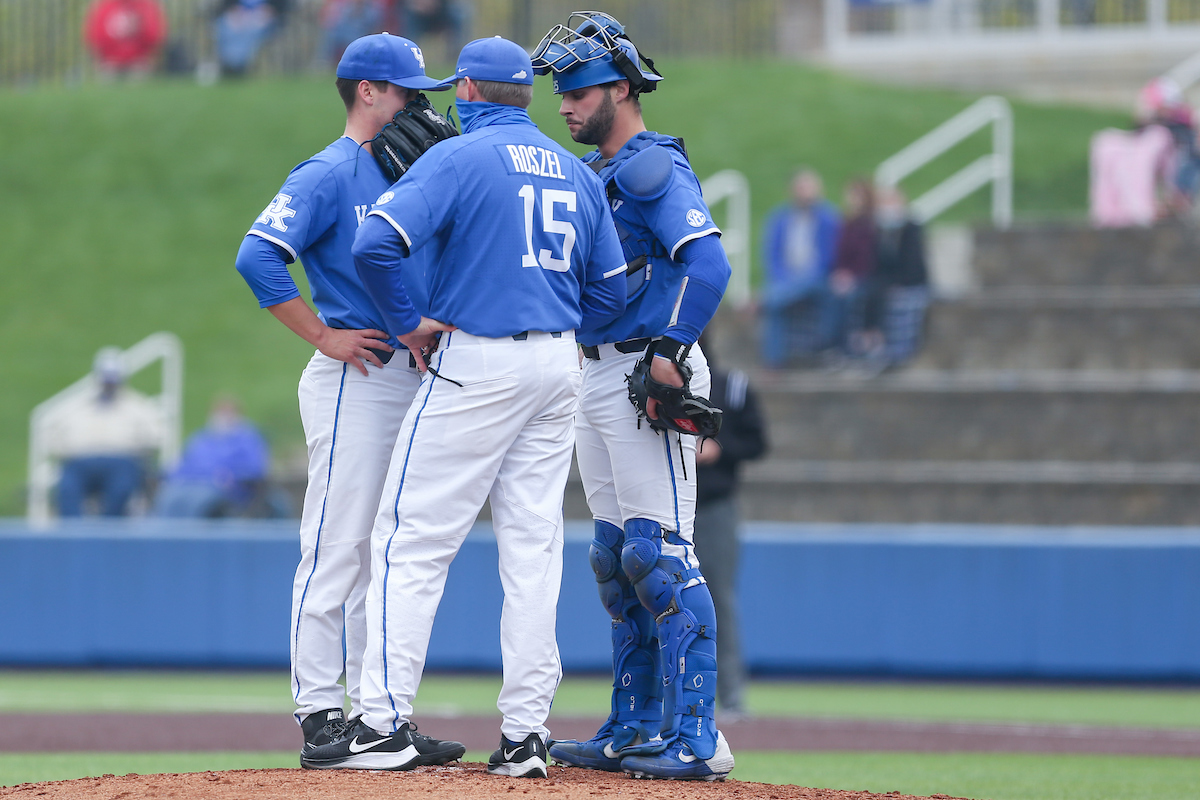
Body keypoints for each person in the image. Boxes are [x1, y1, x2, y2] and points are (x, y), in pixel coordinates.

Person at [300, 36, 626, 778]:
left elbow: (374, 243)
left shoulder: (457, 156)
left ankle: (381, 722)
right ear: (529, 96)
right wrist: (565, 326)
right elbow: (609, 291)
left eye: (456, 87)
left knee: (408, 540)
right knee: (534, 552)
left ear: (471, 90)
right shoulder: (576, 171)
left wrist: (410, 320)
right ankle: (527, 736)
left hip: (476, 360)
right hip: (557, 362)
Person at [531, 12, 736, 780]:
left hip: (647, 367)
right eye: (560, 91)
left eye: (579, 89)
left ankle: (697, 737)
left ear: (621, 86)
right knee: (617, 560)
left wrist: (672, 351)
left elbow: (707, 265)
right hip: (597, 366)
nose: (565, 104)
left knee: (660, 556)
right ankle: (634, 725)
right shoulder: (600, 174)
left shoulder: (649, 165)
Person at [233, 33, 447, 760]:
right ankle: (319, 712)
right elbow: (256, 255)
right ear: (366, 92)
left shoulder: (410, 170)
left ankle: (375, 714)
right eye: (406, 92)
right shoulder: (328, 172)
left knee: (382, 548)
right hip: (353, 374)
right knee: (336, 544)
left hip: (406, 373)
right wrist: (322, 336)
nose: (420, 104)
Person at [692, 340, 767, 717]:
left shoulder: (730, 386)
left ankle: (731, 695)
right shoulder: (652, 383)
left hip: (714, 506)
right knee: (657, 600)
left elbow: (757, 442)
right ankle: (660, 699)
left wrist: (720, 448)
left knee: (719, 599)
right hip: (667, 506)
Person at [45, 348, 164, 518]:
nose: (109, 385)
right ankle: (72, 533)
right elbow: (55, 435)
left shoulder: (138, 406)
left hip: (122, 461)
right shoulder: (76, 405)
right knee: (68, 486)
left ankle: (108, 530)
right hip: (80, 461)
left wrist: (136, 448)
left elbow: (155, 437)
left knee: (121, 485)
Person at [759, 169, 841, 367]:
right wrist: (783, 280)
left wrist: (797, 282)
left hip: (818, 279)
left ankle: (763, 300)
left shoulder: (829, 218)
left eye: (808, 188)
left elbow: (829, 258)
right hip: (786, 281)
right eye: (801, 188)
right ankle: (774, 362)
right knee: (775, 305)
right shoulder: (780, 218)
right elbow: (773, 256)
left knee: (773, 300)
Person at [154, 396, 272, 518]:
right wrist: (170, 475)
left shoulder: (248, 439)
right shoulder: (201, 438)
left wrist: (229, 477)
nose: (223, 417)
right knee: (168, 497)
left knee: (198, 501)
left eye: (228, 413)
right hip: (189, 485)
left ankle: (189, 535)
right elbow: (183, 463)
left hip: (223, 492)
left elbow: (255, 469)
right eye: (220, 412)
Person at [865, 184, 929, 365]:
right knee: (871, 292)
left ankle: (893, 349)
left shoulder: (911, 229)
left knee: (883, 294)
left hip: (909, 278)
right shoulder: (881, 232)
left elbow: (914, 264)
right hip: (889, 278)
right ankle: (871, 338)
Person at [828, 178, 877, 357]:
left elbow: (867, 257)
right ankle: (833, 346)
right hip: (846, 277)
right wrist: (840, 273)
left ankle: (847, 349)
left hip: (863, 277)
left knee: (849, 300)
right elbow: (840, 253)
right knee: (832, 296)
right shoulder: (846, 223)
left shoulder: (870, 224)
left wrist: (852, 276)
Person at [82, 0, 167, 78]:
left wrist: (149, 60)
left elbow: (154, 37)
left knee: (138, 79)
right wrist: (100, 61)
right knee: (108, 78)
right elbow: (94, 37)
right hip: (110, 62)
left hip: (139, 62)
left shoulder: (145, 6)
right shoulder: (105, 6)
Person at [212, 0, 289, 77]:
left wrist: (271, 10)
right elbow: (227, 4)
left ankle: (237, 66)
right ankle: (229, 63)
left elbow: (281, 5)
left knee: (250, 32)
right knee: (224, 28)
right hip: (238, 14)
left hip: (263, 15)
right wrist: (234, 10)